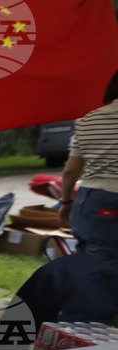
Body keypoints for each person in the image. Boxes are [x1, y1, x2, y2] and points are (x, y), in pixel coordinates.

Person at [60, 68, 118, 268]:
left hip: (98, 200)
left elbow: (71, 170)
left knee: (97, 271)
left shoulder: (87, 121)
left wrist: (66, 202)